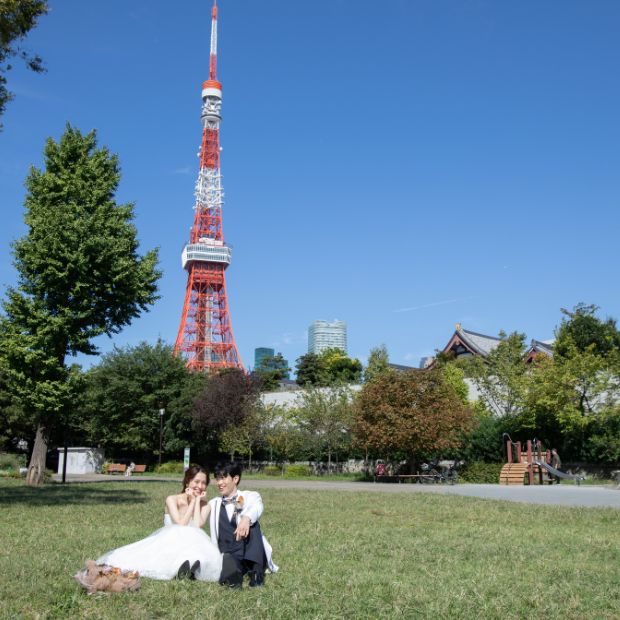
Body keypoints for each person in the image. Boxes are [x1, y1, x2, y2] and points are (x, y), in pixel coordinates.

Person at [96, 465, 238, 583]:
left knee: (199, 545)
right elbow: (180, 524)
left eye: (203, 483)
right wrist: (193, 501)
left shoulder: (205, 505)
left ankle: (197, 569)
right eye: (196, 481)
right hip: (170, 539)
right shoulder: (172, 499)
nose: (200, 486)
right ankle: (184, 569)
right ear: (187, 482)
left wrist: (196, 503)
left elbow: (198, 525)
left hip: (193, 542)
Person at [208, 462, 278, 588]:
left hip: (247, 550)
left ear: (235, 479)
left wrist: (246, 519)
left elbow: (257, 507)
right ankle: (233, 577)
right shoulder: (214, 503)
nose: (219, 483)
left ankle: (257, 573)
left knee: (253, 525)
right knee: (230, 563)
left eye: (223, 478)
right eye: (217, 478)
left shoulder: (250, 495)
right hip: (228, 552)